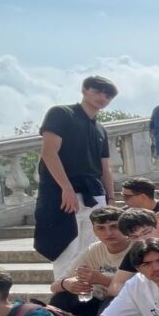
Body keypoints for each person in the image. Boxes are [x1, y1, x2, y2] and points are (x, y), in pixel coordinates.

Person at [34, 76, 118, 281]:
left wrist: (111, 199)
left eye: (108, 95)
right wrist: (66, 188)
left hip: (94, 193)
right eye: (97, 91)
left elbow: (105, 167)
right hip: (62, 192)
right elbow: (49, 152)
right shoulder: (61, 113)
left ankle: (90, 295)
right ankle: (64, 295)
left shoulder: (100, 129)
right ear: (84, 90)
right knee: (66, 248)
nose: (102, 98)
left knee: (95, 250)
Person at [49, 206, 129, 316]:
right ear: (94, 231)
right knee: (61, 297)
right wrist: (67, 284)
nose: (108, 233)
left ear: (125, 227)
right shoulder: (93, 250)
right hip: (99, 301)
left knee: (111, 304)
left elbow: (140, 289)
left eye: (114, 227)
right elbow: (54, 286)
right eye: (101, 228)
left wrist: (101, 279)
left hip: (128, 304)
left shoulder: (137, 248)